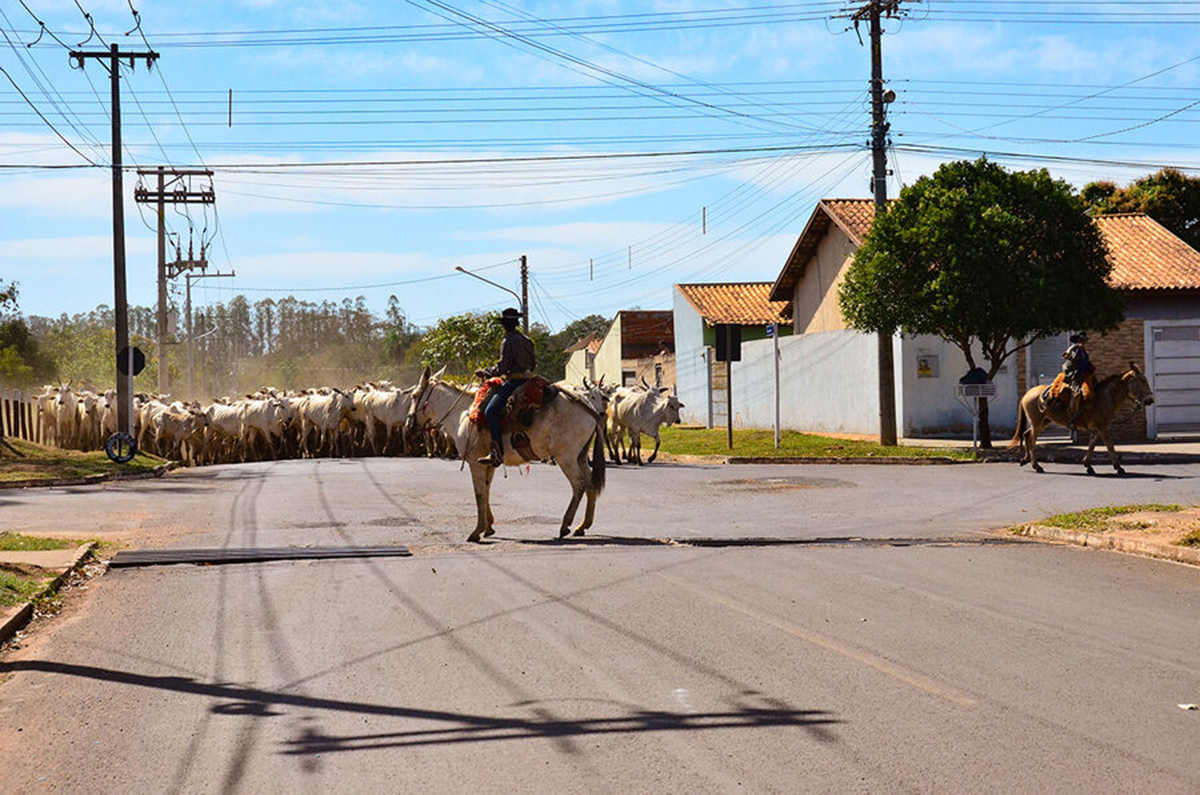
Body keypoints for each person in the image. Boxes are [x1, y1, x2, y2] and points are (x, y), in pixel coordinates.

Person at [474, 307, 536, 466]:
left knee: (490, 411)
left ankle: (497, 451)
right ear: (516, 322)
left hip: (514, 381)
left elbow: (502, 368)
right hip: (529, 379)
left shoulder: (508, 341)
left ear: (506, 324)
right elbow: (534, 364)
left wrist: (487, 372)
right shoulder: (527, 341)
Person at [1061, 332, 1095, 429]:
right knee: (1076, 394)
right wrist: (1074, 349)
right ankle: (1072, 418)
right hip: (1075, 376)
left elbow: (1086, 362)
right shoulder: (1075, 349)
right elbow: (1066, 356)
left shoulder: (1084, 352)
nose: (1083, 342)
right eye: (1081, 340)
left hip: (1084, 375)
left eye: (1084, 341)